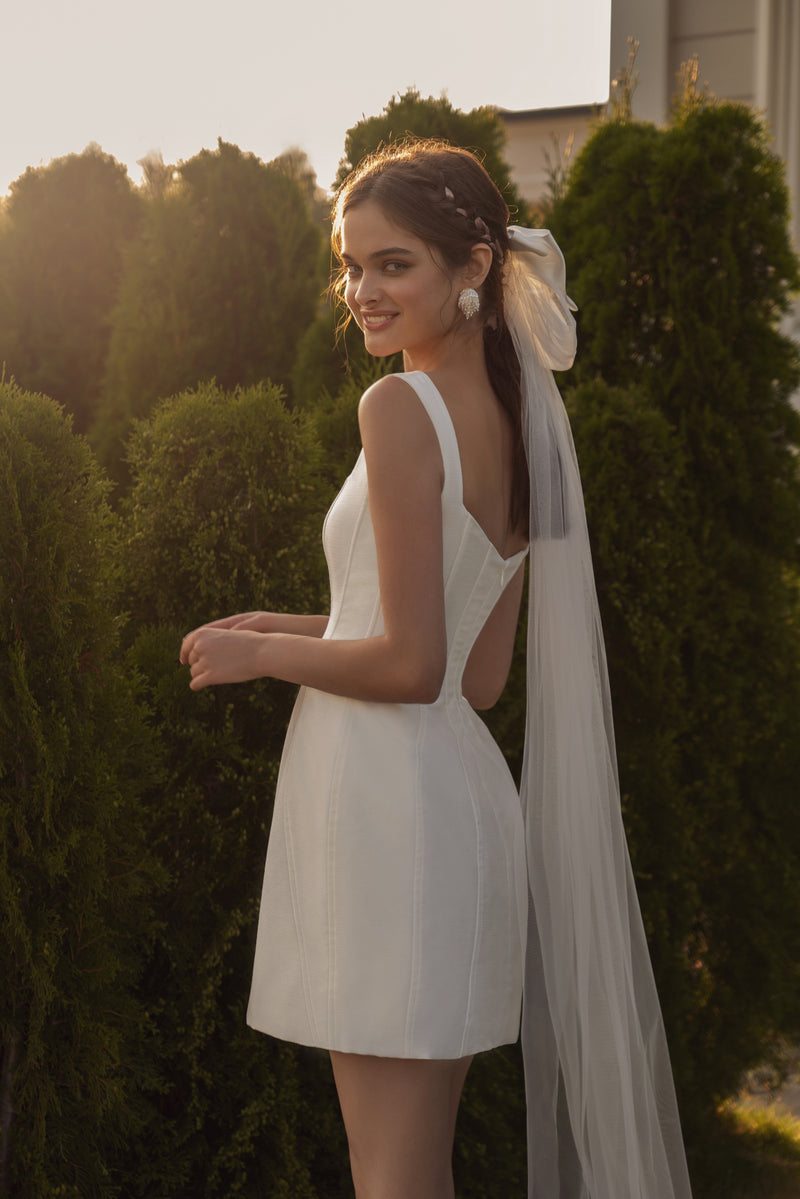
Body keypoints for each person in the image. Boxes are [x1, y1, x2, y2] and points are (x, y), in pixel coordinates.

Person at [180, 141, 692, 1199]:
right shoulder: (517, 425)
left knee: (392, 1175)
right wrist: (291, 617)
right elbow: (476, 670)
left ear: (470, 268)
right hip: (447, 809)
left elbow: (417, 665)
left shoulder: (399, 410)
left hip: (386, 811)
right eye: (351, 266)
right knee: (412, 1168)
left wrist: (262, 653)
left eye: (392, 264)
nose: (361, 291)